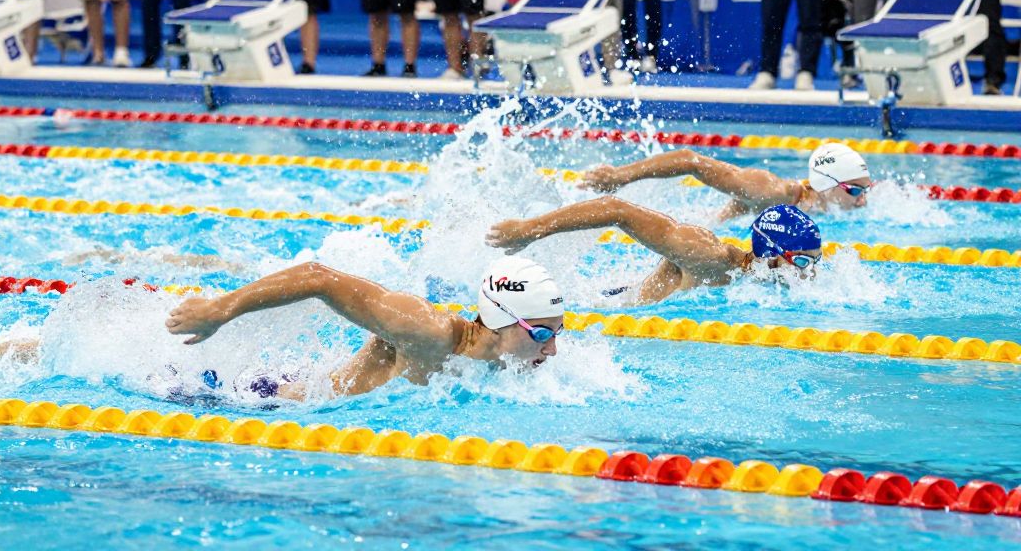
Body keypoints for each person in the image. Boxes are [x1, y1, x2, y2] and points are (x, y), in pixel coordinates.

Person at [163, 257, 563, 397]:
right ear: (499, 320)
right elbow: (318, 277)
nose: (553, 350)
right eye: (543, 334)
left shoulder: (514, 363)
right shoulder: (425, 330)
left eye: (557, 333)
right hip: (266, 402)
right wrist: (220, 309)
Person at [487, 201, 823, 304]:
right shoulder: (708, 257)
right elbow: (617, 210)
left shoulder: (766, 286)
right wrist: (531, 229)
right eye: (804, 262)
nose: (812, 274)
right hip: (609, 307)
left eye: (815, 261)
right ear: (771, 254)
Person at [580, 142, 872, 220]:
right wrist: (620, 176)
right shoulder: (771, 191)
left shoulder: (829, 204)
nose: (863, 199)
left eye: (865, 189)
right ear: (828, 184)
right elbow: (688, 160)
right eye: (856, 190)